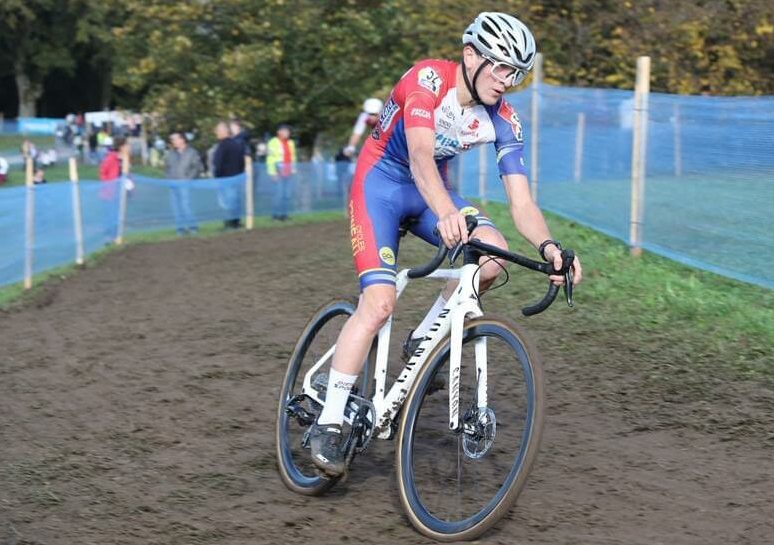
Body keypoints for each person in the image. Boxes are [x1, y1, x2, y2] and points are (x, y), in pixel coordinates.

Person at [307, 12, 583, 476]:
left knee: (492, 254)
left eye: (515, 72)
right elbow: (418, 154)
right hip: (381, 186)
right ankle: (330, 421)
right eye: (499, 67)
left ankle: (424, 338)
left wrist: (550, 248)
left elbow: (521, 201)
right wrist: (447, 211)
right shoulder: (427, 80)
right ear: (470, 55)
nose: (507, 81)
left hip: (431, 191)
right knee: (377, 304)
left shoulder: (504, 118)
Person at [164, 131, 203, 235]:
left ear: (182, 139)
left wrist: (189, 179)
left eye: (175, 139)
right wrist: (169, 179)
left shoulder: (192, 152)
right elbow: (166, 168)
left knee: (186, 206)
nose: (173, 141)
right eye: (172, 139)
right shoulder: (170, 153)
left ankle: (192, 227)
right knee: (175, 207)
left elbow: (197, 168)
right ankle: (180, 228)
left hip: (186, 185)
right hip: (173, 185)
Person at [212, 120, 246, 229]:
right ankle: (235, 222)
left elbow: (218, 164)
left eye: (218, 130)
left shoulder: (222, 146)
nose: (216, 132)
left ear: (225, 131)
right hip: (236, 178)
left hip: (225, 179)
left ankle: (229, 224)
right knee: (235, 201)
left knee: (227, 203)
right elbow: (242, 162)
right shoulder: (236, 144)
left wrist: (217, 178)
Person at [99, 137, 131, 243]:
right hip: (110, 192)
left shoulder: (126, 158)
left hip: (122, 192)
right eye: (127, 145)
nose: (129, 147)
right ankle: (109, 236)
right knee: (110, 214)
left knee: (120, 213)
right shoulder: (111, 158)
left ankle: (118, 235)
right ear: (121, 146)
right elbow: (103, 172)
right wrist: (108, 185)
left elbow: (127, 174)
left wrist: (129, 184)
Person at [266, 123, 297, 221]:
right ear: (279, 132)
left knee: (286, 195)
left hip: (288, 172)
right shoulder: (272, 142)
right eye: (285, 131)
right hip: (277, 171)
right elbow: (270, 159)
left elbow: (293, 157)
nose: (287, 133)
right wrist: (272, 173)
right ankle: (275, 215)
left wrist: (293, 169)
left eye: (288, 131)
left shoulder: (291, 143)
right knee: (278, 194)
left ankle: (284, 215)